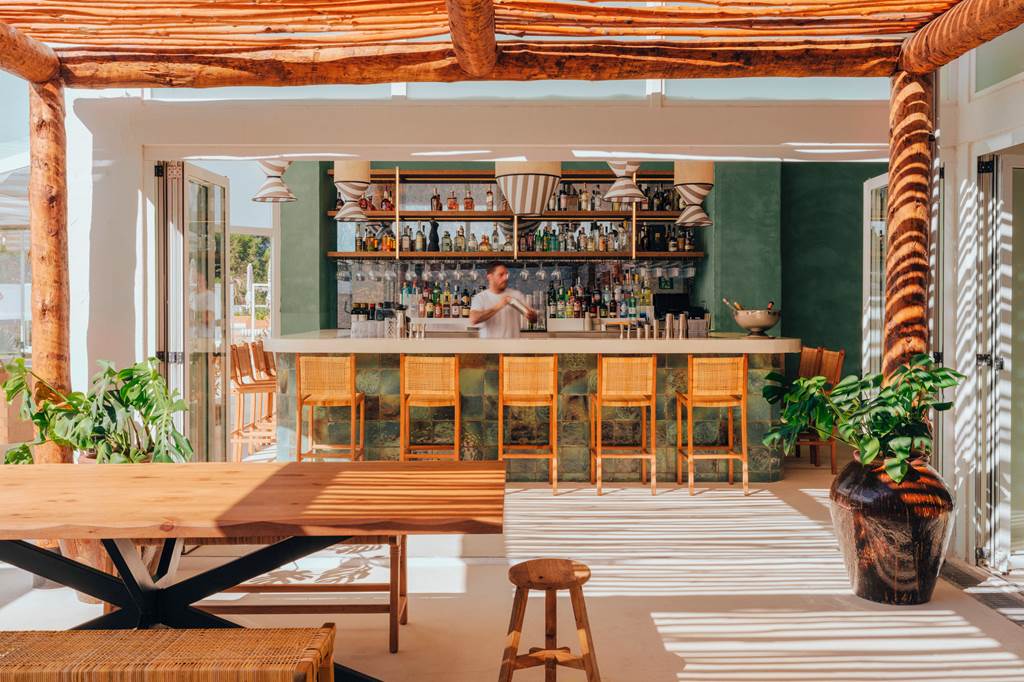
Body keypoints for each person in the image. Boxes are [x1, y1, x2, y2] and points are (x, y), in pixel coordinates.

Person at [469, 261, 538, 339]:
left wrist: (532, 316)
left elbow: (534, 319)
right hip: (489, 346)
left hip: (513, 346)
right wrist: (500, 305)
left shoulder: (516, 295)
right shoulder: (480, 298)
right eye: (501, 275)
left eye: (506, 274)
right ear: (490, 277)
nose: (505, 278)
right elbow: (474, 319)